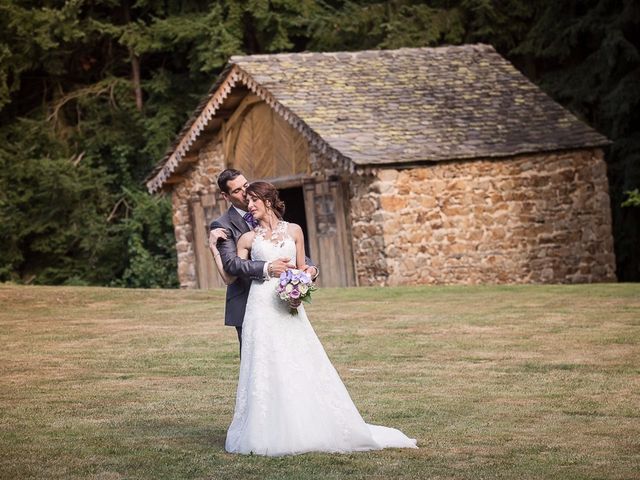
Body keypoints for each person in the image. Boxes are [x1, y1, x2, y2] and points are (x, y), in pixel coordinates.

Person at [209, 181, 418, 456]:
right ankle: (264, 428)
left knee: (299, 361)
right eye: (246, 200)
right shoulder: (247, 239)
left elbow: (304, 265)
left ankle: (308, 423)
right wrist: (214, 247)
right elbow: (230, 274)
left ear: (267, 201)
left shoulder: (294, 231)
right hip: (259, 308)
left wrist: (303, 283)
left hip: (288, 307)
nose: (248, 206)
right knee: (263, 365)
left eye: (253, 201)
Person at [208, 169, 317, 350]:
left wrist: (311, 269)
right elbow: (232, 264)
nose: (244, 193)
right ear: (225, 196)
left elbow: (285, 249)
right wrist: (267, 268)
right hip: (249, 303)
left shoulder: (269, 214)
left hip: (283, 299)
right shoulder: (223, 224)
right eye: (237, 191)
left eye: (245, 186)